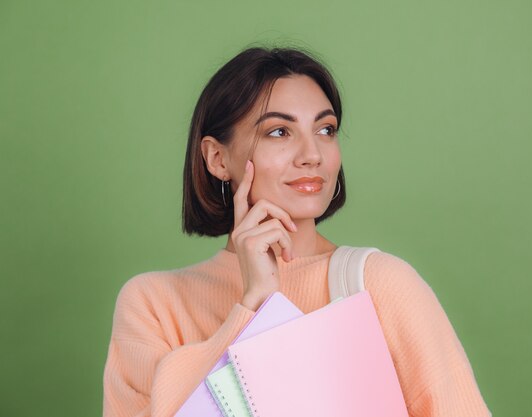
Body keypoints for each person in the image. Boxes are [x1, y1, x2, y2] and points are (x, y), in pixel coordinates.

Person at [102, 46, 492, 417]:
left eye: (325, 129)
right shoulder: (153, 305)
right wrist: (254, 306)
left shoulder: (380, 285)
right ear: (217, 158)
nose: (312, 154)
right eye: (279, 132)